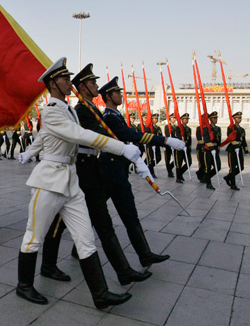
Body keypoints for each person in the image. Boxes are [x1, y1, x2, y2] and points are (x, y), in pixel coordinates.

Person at [16, 57, 139, 309]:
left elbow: (44, 136)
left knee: (85, 239)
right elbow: (78, 135)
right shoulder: (51, 111)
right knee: (34, 236)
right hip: (49, 181)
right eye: (64, 78)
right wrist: (121, 148)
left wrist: (29, 151)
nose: (69, 81)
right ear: (52, 84)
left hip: (71, 181)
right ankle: (24, 286)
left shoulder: (67, 109)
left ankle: (100, 294)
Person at [99, 77, 185, 268]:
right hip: (108, 173)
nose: (121, 95)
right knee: (94, 212)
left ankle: (145, 255)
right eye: (117, 92)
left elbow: (129, 138)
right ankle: (74, 245)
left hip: (117, 173)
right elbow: (131, 135)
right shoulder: (110, 118)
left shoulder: (116, 116)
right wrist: (164, 141)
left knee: (129, 213)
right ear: (109, 96)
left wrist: (138, 160)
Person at [224, 112, 247, 190]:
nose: (239, 119)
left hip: (239, 149)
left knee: (241, 167)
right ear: (234, 119)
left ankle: (228, 177)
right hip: (232, 149)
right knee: (232, 168)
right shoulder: (231, 127)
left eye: (240, 118)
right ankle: (233, 184)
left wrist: (246, 150)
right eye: (237, 118)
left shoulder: (242, 129)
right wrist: (236, 145)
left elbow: (243, 140)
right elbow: (230, 138)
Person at [202, 111, 222, 190]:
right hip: (208, 150)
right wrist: (212, 148)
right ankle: (208, 184)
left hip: (215, 150)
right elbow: (206, 139)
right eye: (213, 118)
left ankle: (206, 178)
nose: (215, 119)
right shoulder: (207, 128)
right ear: (210, 119)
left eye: (216, 118)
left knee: (218, 167)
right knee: (208, 167)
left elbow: (219, 140)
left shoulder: (218, 128)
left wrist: (217, 149)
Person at [164, 113, 177, 178]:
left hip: (174, 145)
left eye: (175, 118)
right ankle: (169, 171)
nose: (174, 119)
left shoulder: (176, 127)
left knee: (175, 159)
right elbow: (167, 135)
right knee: (167, 159)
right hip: (168, 145)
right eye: (173, 118)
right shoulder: (167, 126)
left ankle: (170, 168)